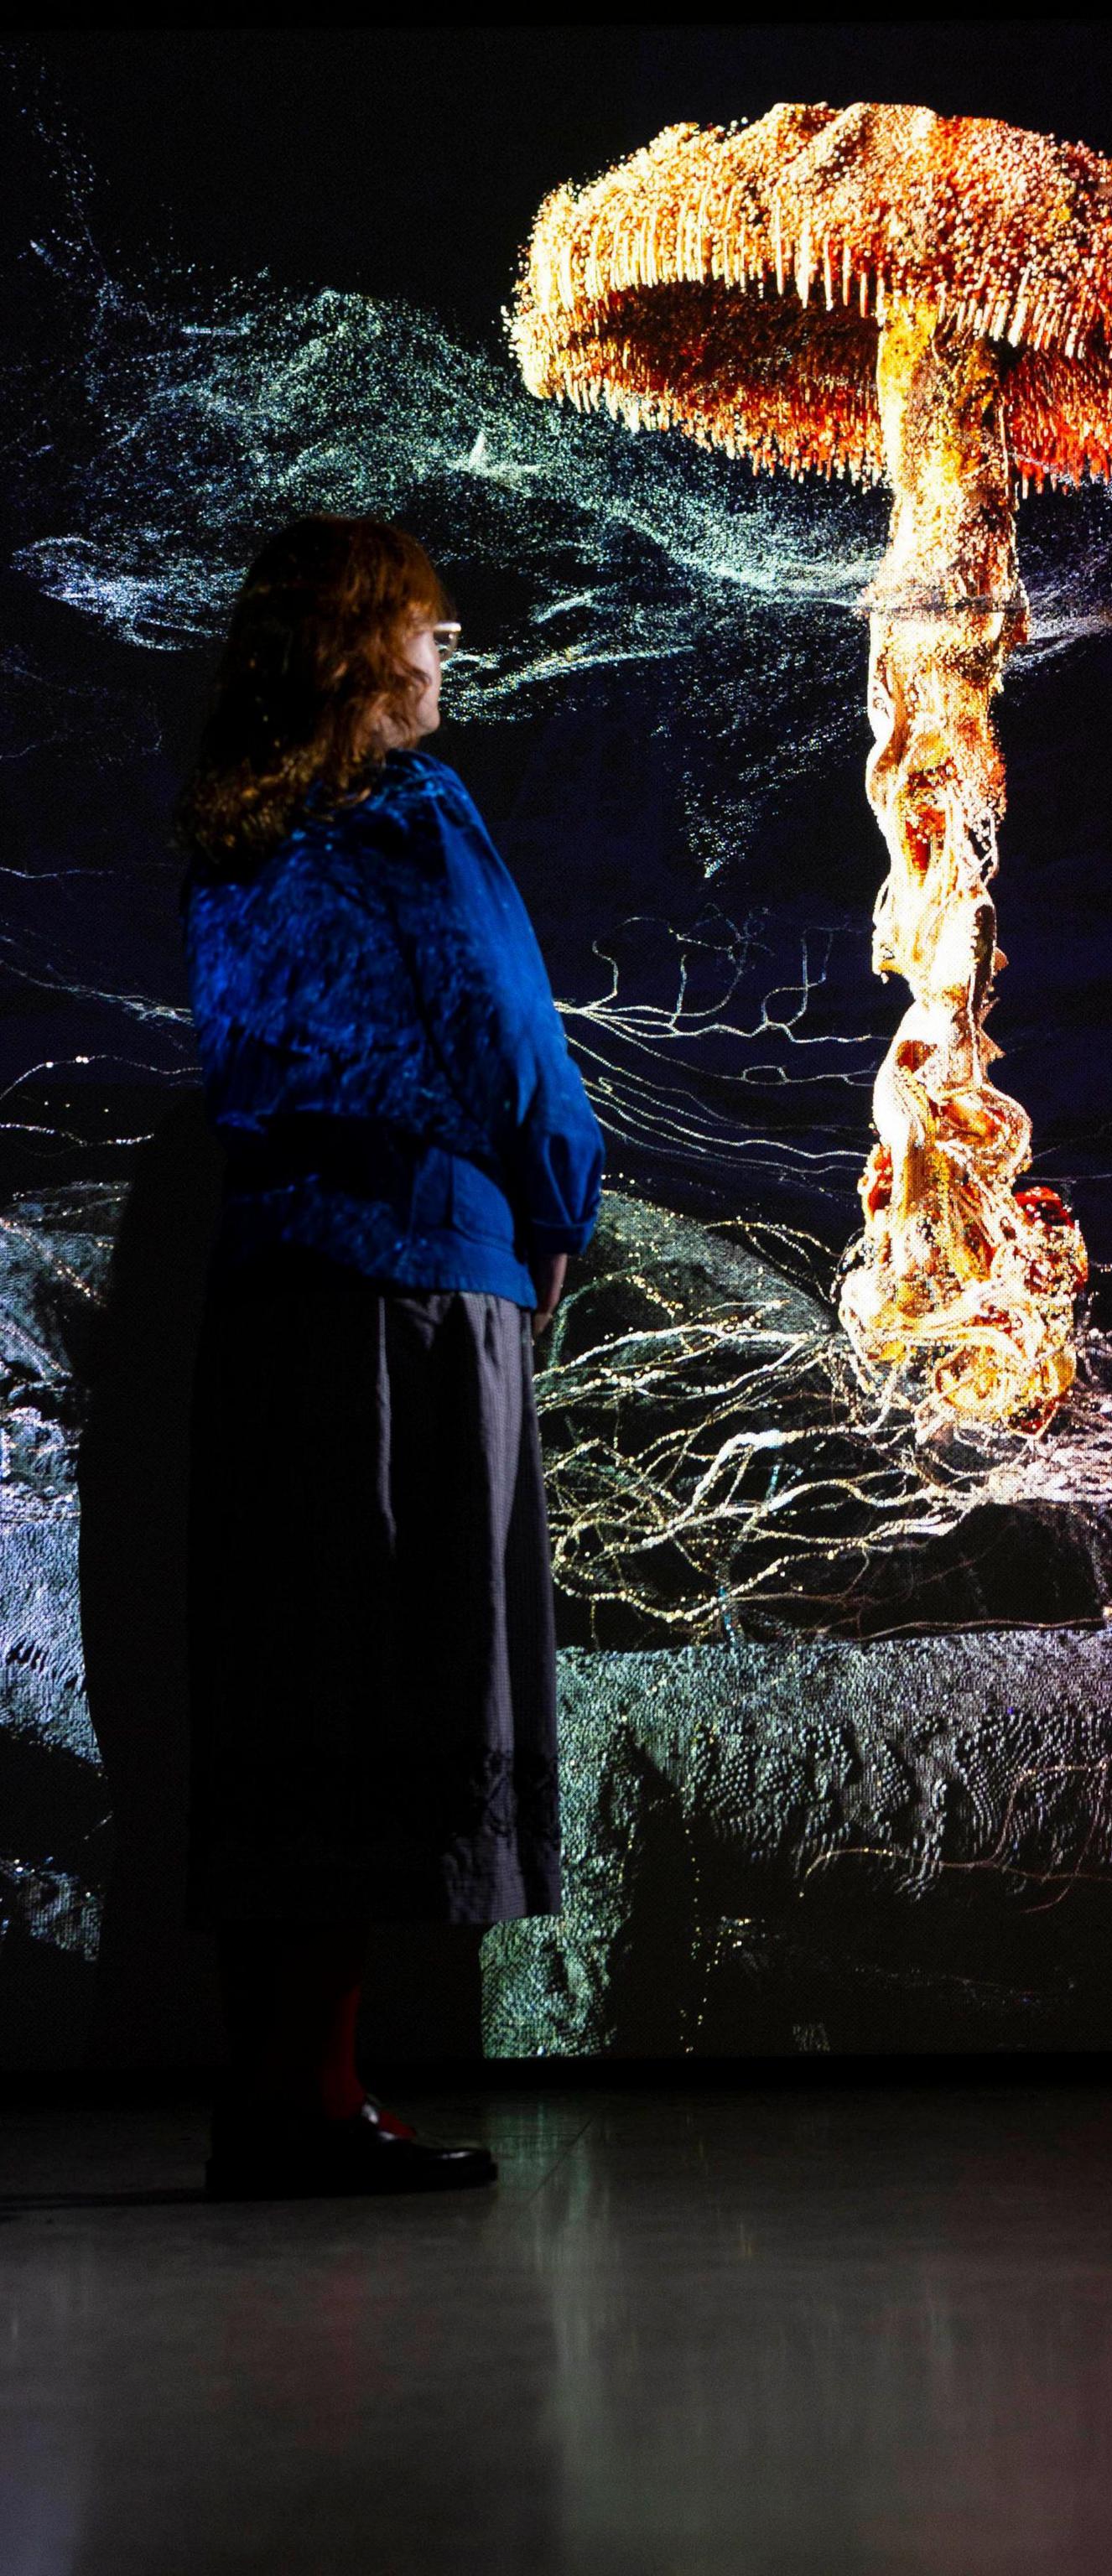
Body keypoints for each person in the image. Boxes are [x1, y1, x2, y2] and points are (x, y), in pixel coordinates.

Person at [177, 515, 603, 2197]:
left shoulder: (230, 828)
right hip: (416, 1283)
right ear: (368, 648)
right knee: (391, 1683)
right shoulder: (418, 811)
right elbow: (503, 1026)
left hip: (266, 1285)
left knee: (293, 1691)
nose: (445, 657)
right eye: (425, 630)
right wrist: (558, 1199)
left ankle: (286, 2089)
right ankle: (319, 2103)